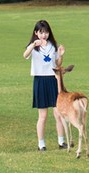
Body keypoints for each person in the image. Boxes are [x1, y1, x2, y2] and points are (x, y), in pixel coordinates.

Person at [22, 19, 67, 151]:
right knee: (43, 116)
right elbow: (25, 55)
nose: (44, 35)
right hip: (40, 81)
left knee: (58, 113)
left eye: (46, 32)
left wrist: (61, 55)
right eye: (41, 32)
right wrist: (33, 44)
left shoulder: (53, 45)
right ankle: (41, 144)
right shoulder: (33, 46)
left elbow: (57, 64)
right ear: (36, 33)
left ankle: (61, 142)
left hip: (53, 80)